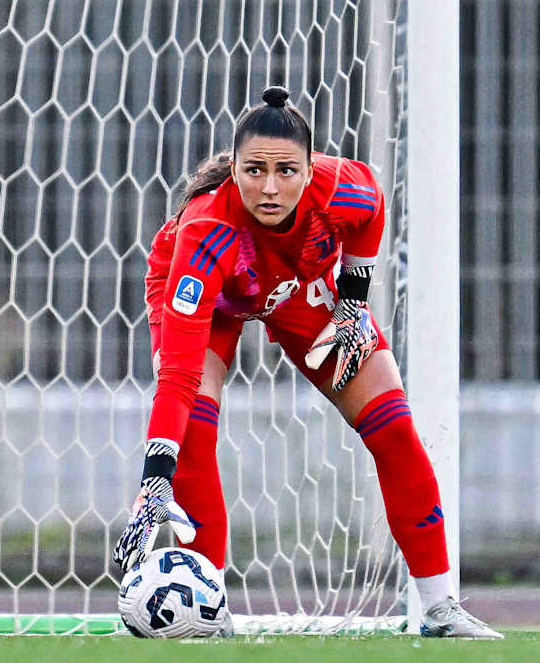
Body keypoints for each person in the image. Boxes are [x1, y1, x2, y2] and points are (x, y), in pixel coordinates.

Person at [112, 86, 502, 639]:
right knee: (193, 428)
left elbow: (372, 212)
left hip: (297, 287)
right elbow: (177, 376)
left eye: (286, 171)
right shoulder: (203, 232)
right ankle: (207, 613)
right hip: (214, 300)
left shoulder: (343, 187)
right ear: (234, 168)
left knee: (393, 425)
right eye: (254, 170)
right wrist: (156, 480)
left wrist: (352, 304)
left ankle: (440, 609)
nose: (270, 187)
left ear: (310, 168)